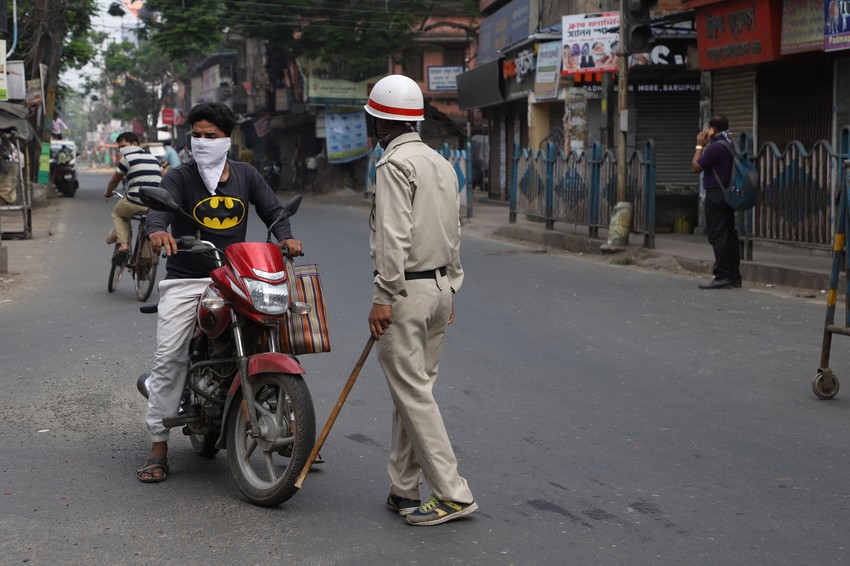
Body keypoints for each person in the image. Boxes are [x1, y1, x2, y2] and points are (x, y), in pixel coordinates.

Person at [136, 102, 303, 482]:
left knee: (276, 334)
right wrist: (157, 230)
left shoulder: (246, 175)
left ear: (226, 139)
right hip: (187, 279)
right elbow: (157, 210)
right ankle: (158, 445)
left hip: (237, 275)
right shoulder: (180, 176)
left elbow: (274, 211)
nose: (201, 142)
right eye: (196, 135)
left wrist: (287, 238)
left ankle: (294, 425)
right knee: (169, 356)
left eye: (210, 136)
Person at [364, 74, 477, 526]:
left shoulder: (394, 166)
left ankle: (452, 493)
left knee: (412, 393)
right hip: (437, 291)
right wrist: (449, 287)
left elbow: (393, 237)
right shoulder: (440, 163)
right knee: (413, 390)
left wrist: (382, 296)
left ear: (377, 122)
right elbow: (455, 230)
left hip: (405, 291)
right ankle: (403, 488)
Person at [691, 114, 741, 289]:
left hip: (716, 195)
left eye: (708, 128)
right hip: (728, 195)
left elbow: (696, 166)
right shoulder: (732, 144)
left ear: (713, 129)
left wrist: (699, 145)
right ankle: (735, 276)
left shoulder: (714, 147)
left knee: (718, 235)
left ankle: (721, 275)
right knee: (730, 235)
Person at [103, 132, 161, 262]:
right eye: (119, 147)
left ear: (134, 144)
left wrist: (108, 193)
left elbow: (114, 180)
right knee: (149, 224)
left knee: (118, 213)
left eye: (123, 146)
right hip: (153, 204)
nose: (121, 150)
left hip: (134, 201)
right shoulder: (154, 158)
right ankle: (147, 259)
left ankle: (123, 245)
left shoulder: (127, 158)